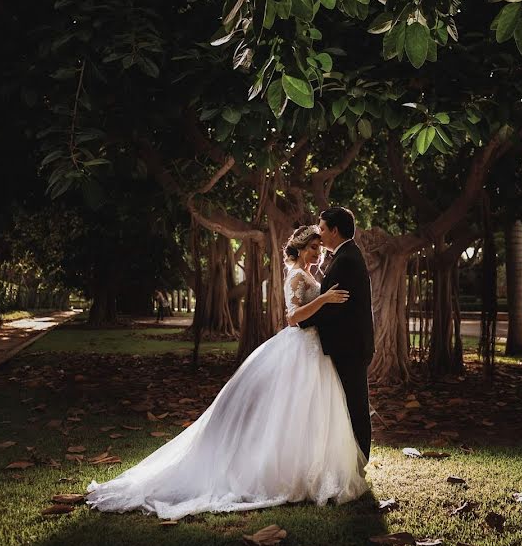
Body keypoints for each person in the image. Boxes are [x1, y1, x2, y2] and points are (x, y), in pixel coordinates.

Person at [85, 225, 369, 520]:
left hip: (314, 350)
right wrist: (323, 299)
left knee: (309, 412)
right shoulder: (297, 275)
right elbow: (292, 318)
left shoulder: (310, 274)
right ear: (300, 248)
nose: (318, 252)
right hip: (299, 348)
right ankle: (282, 474)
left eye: (320, 247)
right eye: (313, 247)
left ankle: (309, 471)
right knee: (290, 411)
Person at [291, 207, 375, 460]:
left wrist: (301, 322)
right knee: (347, 404)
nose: (321, 233)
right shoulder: (345, 256)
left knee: (355, 404)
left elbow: (333, 307)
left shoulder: (346, 260)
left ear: (335, 230)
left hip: (349, 346)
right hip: (348, 344)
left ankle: (359, 459)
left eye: (323, 229)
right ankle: (349, 459)